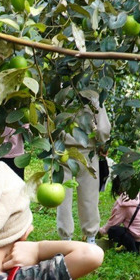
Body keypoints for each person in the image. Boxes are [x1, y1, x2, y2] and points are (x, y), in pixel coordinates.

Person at [56, 99, 110, 243]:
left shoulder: (58, 89)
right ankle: (90, 238)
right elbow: (103, 129)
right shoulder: (92, 96)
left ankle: (65, 238)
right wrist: (102, 142)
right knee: (89, 197)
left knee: (62, 197)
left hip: (61, 150)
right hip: (87, 151)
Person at [103, 177, 140, 254]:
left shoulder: (122, 203)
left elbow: (112, 223)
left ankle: (133, 250)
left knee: (113, 230)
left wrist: (100, 231)